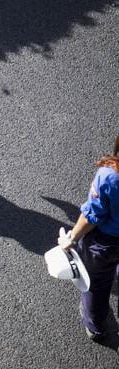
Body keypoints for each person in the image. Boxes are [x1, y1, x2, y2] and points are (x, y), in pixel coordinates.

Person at [58, 136, 119, 342]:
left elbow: (93, 215)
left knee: (95, 284)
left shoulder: (110, 176)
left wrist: (72, 238)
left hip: (105, 242)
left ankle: (96, 327)